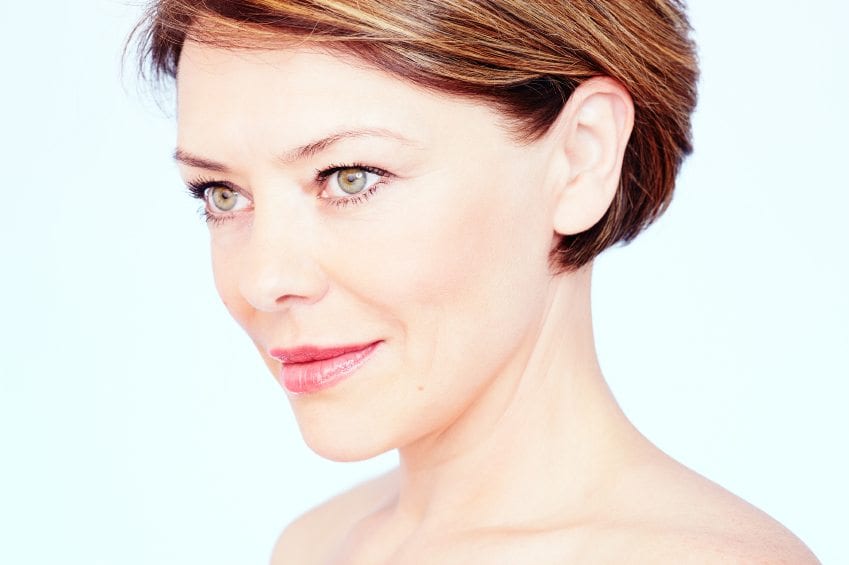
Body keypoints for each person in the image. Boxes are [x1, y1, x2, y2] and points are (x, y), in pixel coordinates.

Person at [132, 1, 819, 562]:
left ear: (580, 159)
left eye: (350, 177)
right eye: (221, 194)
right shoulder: (315, 546)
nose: (263, 279)